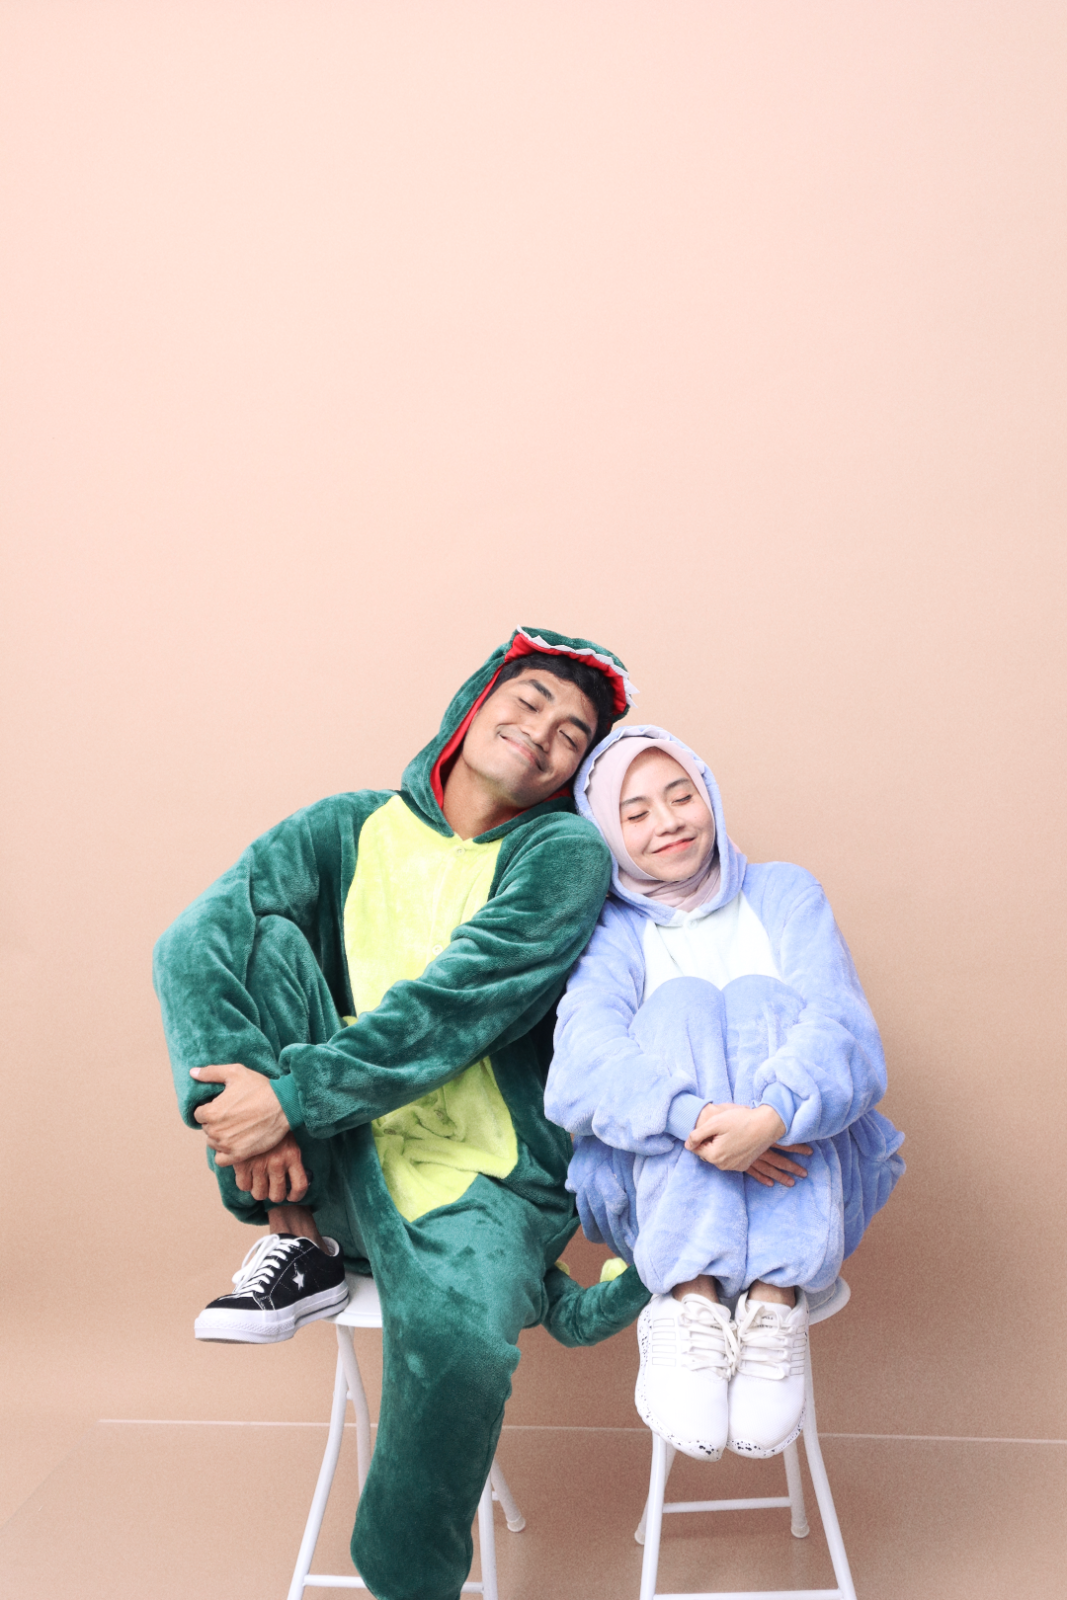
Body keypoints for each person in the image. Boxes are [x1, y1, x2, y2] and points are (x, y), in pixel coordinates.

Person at [153, 628, 652, 1600]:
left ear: (576, 771)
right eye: (530, 700)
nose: (543, 730)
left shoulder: (562, 853)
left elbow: (453, 1006)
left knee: (462, 1347)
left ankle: (406, 1580)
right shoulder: (346, 825)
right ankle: (293, 1233)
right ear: (475, 701)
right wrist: (242, 1110)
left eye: (571, 733)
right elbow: (194, 942)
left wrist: (287, 1099)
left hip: (483, 1172)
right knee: (244, 937)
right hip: (330, 1157)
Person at [545, 724, 904, 1465]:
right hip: (658, 1196)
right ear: (606, 831)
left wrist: (770, 1119)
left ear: (708, 795)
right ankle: (691, 1300)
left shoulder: (783, 892)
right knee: (679, 1007)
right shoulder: (608, 928)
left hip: (805, 1176)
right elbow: (583, 1061)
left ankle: (775, 1304)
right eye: (636, 813)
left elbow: (843, 1028)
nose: (667, 822)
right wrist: (701, 1122)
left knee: (758, 1000)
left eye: (682, 796)